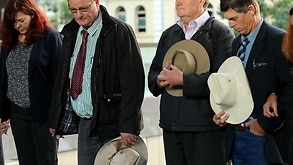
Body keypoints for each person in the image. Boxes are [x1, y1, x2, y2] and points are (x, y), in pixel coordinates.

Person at [48, 0, 145, 164]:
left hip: (114, 124)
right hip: (86, 124)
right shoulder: (70, 32)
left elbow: (133, 82)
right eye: (73, 10)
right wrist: (56, 119)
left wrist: (128, 126)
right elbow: (63, 78)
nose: (79, 15)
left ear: (97, 2)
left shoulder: (119, 31)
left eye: (84, 9)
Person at [147, 0, 234, 164]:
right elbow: (153, 72)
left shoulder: (220, 33)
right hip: (171, 127)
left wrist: (183, 81)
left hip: (206, 130)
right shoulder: (169, 34)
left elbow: (224, 80)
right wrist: (159, 80)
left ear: (202, 1)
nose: (178, 1)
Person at [212, 0, 293, 164]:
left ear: (250, 10)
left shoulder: (279, 40)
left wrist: (264, 124)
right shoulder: (235, 44)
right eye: (228, 19)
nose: (231, 24)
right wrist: (223, 114)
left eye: (234, 18)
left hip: (264, 140)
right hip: (235, 137)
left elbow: (290, 88)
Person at [0, 0, 62, 164]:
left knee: (46, 160)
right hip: (17, 113)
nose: (17, 26)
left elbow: (60, 81)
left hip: (44, 114)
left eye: (21, 20)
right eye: (13, 22)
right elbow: (3, 78)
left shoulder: (51, 38)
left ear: (32, 15)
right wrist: (3, 115)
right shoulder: (9, 40)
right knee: (25, 161)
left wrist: (58, 118)